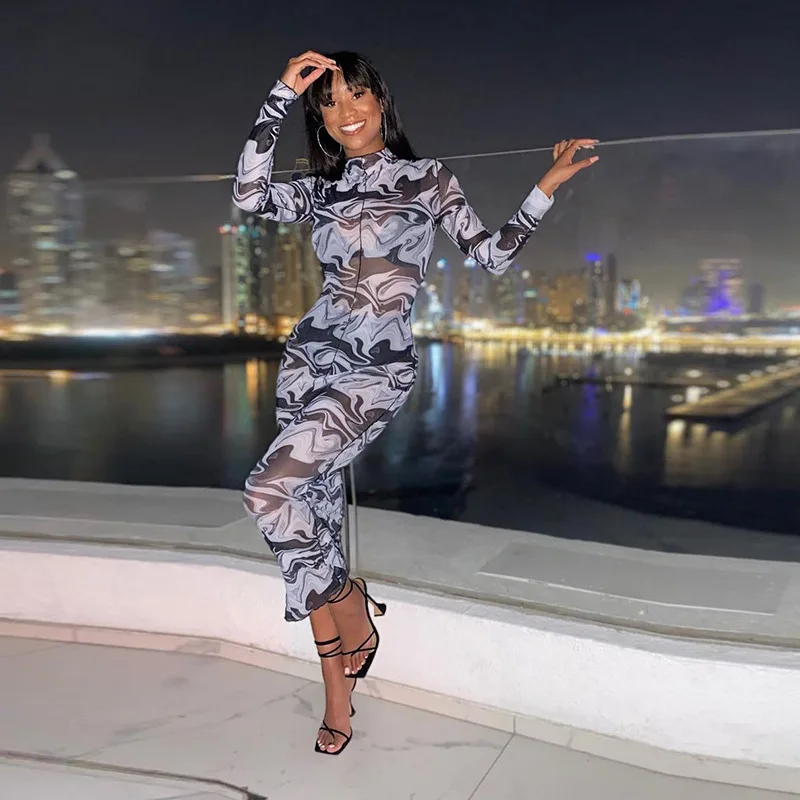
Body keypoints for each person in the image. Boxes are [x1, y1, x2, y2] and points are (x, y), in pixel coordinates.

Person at [233, 49, 597, 755]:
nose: (346, 112)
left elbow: (490, 255)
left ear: (381, 100)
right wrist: (279, 94)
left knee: (267, 493)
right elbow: (249, 196)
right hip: (309, 360)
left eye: (357, 95)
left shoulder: (427, 179)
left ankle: (350, 606)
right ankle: (337, 688)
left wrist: (546, 184)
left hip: (377, 368)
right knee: (308, 520)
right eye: (329, 103)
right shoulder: (320, 189)